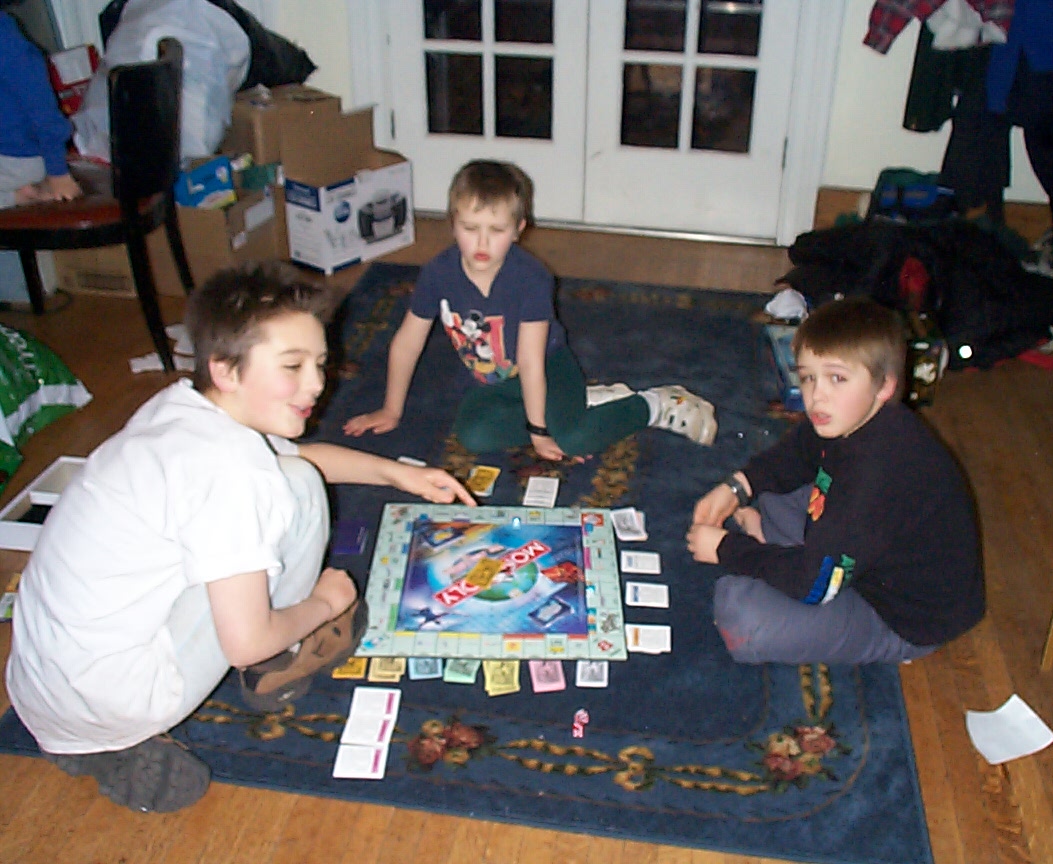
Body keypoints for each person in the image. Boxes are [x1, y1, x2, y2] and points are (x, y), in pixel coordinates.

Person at [5, 262, 476, 814]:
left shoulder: (181, 407)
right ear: (226, 370)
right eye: (293, 366)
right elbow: (246, 641)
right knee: (291, 498)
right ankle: (256, 673)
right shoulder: (233, 472)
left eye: (319, 364)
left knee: (293, 477)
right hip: (120, 697)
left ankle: (86, 739)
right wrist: (325, 604)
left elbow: (302, 460)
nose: (316, 384)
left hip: (41, 688)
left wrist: (399, 474)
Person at [343, 159, 717, 460]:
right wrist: (391, 410)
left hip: (548, 366)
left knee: (572, 439)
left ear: (519, 229)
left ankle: (654, 404)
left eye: (497, 230)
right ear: (452, 224)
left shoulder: (531, 278)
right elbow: (407, 343)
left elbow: (531, 359)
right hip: (497, 380)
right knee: (473, 435)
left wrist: (539, 432)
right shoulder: (438, 273)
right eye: (470, 228)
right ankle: (579, 408)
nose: (482, 243)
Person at [687, 296, 984, 665]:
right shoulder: (856, 416)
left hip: (902, 618)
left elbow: (812, 586)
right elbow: (799, 451)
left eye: (837, 378)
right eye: (807, 377)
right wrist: (737, 486)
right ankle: (783, 552)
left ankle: (782, 558)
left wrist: (727, 549)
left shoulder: (874, 479)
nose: (817, 396)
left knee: (741, 615)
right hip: (869, 551)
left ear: (884, 386)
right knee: (775, 489)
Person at [0, 7, 82, 208]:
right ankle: (17, 196)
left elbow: (43, 109)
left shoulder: (6, 39)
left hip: (17, 156)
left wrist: (58, 172)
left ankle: (17, 197)